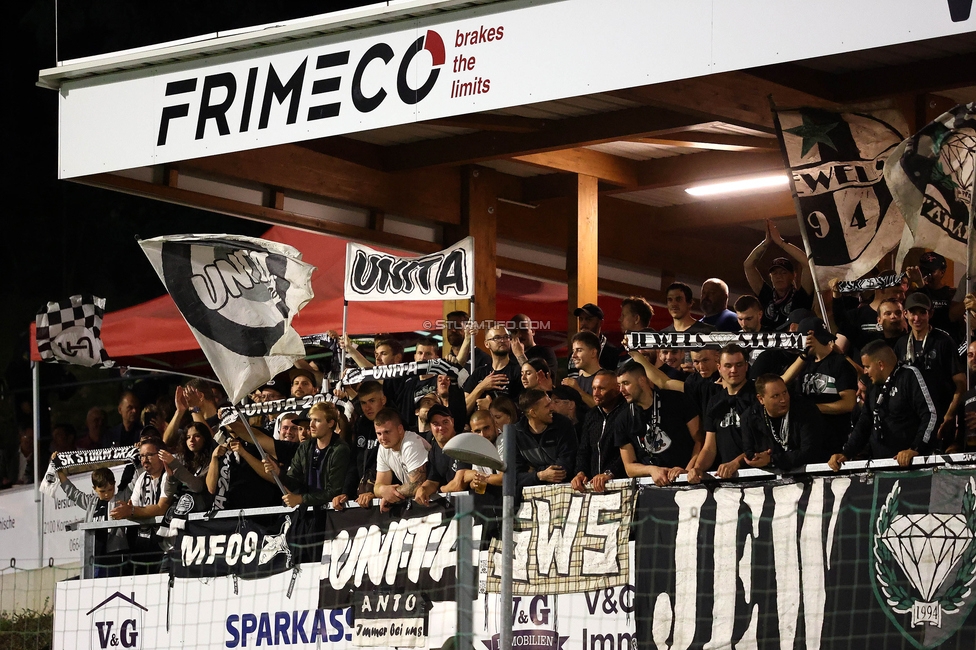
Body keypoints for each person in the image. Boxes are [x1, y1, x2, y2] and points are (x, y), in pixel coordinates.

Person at [829, 340, 937, 468]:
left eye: (867, 366)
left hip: (912, 467)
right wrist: (846, 453)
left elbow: (930, 414)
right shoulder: (873, 385)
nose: (864, 372)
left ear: (880, 365)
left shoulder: (909, 376)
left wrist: (915, 448)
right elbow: (864, 423)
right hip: (880, 466)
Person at [895, 292, 965, 446]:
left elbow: (961, 383)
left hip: (940, 416)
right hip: (912, 420)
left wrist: (949, 415)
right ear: (905, 314)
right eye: (913, 312)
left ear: (931, 314)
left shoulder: (944, 341)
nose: (917, 318)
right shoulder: (901, 344)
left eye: (922, 312)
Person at [615, 361, 701, 486]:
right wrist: (651, 470)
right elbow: (629, 467)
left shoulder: (677, 400)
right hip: (651, 488)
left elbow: (700, 440)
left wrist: (687, 471)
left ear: (642, 381)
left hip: (689, 481)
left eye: (626, 383)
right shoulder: (622, 419)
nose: (621, 390)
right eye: (619, 385)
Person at [781, 317, 857, 455]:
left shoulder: (840, 364)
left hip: (833, 439)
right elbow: (781, 382)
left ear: (810, 336)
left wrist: (812, 409)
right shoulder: (803, 363)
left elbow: (849, 403)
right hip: (807, 440)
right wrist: (803, 356)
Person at [687, 345, 757, 483]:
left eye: (739, 365)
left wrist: (736, 463)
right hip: (727, 481)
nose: (733, 370)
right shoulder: (715, 402)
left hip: (760, 476)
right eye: (728, 365)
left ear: (746, 366)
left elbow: (764, 442)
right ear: (719, 368)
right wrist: (697, 468)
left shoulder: (758, 396)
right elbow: (709, 447)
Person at [262, 402, 351, 507]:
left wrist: (300, 499)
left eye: (317, 421)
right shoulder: (305, 447)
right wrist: (278, 472)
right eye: (311, 420)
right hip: (307, 513)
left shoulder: (340, 449)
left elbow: (333, 491)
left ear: (330, 423)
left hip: (330, 515)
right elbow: (294, 482)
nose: (311, 425)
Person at [55, 461, 133, 577]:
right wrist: (59, 471)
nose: (107, 494)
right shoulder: (91, 503)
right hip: (95, 555)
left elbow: (135, 484)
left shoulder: (120, 498)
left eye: (110, 490)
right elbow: (73, 493)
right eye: (102, 491)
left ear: (115, 485)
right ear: (94, 489)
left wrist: (137, 462)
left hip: (116, 554)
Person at [741, 374, 823, 471]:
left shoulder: (805, 410)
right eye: (776, 396)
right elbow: (749, 452)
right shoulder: (749, 417)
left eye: (784, 392)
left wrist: (772, 459)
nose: (783, 400)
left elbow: (809, 451)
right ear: (761, 399)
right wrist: (758, 457)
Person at [111, 438, 170, 573]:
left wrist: (131, 510)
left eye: (149, 455)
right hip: (143, 544)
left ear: (161, 454)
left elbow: (161, 509)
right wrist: (130, 510)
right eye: (142, 456)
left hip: (166, 546)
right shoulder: (141, 478)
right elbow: (134, 507)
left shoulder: (169, 475)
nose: (144, 459)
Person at [744, 221, 814, 331]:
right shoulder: (766, 294)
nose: (778, 276)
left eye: (783, 272)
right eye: (775, 273)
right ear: (770, 276)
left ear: (793, 275)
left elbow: (807, 263)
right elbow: (748, 266)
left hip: (791, 346)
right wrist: (766, 242)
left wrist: (780, 242)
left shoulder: (800, 297)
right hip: (766, 345)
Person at [572, 371, 629, 492]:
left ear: (617, 389)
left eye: (601, 389)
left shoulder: (628, 413)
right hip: (595, 486)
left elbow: (630, 451)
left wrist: (609, 473)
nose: (596, 393)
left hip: (622, 484)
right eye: (593, 388)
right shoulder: (591, 415)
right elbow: (584, 450)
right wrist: (580, 472)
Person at [335, 381, 386, 509]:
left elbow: (394, 464)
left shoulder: (394, 423)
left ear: (383, 400)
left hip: (386, 499)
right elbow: (354, 462)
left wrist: (375, 492)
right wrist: (345, 492)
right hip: (363, 496)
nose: (367, 407)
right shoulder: (361, 424)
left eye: (372, 401)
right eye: (363, 403)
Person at [514, 389, 577, 488]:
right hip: (530, 494)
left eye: (550, 403)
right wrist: (540, 475)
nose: (552, 407)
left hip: (563, 488)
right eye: (547, 406)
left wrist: (532, 471)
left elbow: (564, 468)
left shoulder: (563, 424)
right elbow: (515, 477)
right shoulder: (517, 434)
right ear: (533, 413)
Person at [829, 273, 908, 351]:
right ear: (879, 319)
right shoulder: (858, 317)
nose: (893, 316)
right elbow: (842, 323)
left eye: (898, 313)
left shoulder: (907, 329)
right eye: (897, 292)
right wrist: (836, 295)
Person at [372, 408, 430, 512]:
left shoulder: (411, 444)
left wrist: (390, 493)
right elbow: (379, 485)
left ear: (399, 429)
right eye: (379, 434)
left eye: (387, 432)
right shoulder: (383, 448)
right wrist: (383, 490)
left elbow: (417, 484)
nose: (383, 438)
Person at [413, 404, 471, 504]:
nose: (441, 427)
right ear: (430, 427)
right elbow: (432, 481)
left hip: (470, 505)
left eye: (445, 422)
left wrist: (440, 490)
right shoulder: (434, 448)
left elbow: (458, 485)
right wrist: (423, 489)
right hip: (452, 506)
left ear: (452, 422)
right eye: (436, 424)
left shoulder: (463, 443)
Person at [464, 327, 523, 413]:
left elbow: (525, 407)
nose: (502, 340)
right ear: (487, 344)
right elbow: (463, 409)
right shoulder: (479, 373)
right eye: (497, 338)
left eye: (506, 337)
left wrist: (492, 406)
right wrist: (481, 387)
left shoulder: (517, 371)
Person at [907, 251, 961, 342]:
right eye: (924, 270)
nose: (927, 275)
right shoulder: (916, 293)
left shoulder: (951, 293)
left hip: (946, 341)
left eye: (931, 271)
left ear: (942, 272)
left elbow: (948, 318)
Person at [159, 422, 214, 509]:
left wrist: (175, 465)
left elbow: (198, 487)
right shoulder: (183, 460)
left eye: (197, 436)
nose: (191, 440)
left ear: (205, 438)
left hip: (201, 513)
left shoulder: (212, 461)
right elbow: (168, 493)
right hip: (181, 511)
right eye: (188, 437)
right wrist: (171, 477)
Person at [574, 303, 622, 370]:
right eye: (581, 319)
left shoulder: (611, 353)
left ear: (600, 323)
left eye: (588, 319)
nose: (583, 323)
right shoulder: (574, 353)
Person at [562, 331, 602, 406]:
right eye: (573, 351)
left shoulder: (606, 379)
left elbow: (603, 409)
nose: (573, 355)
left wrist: (579, 391)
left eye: (579, 350)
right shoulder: (576, 382)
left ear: (593, 352)